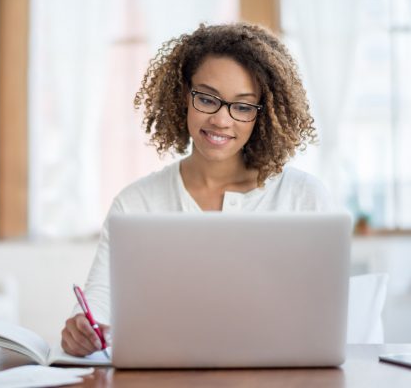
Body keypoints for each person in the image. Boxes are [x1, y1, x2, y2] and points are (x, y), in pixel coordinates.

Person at [61, 22, 332, 356]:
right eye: (207, 98)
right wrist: (82, 329)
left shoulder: (304, 197)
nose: (221, 120)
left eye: (243, 106)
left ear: (263, 115)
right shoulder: (137, 203)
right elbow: (99, 301)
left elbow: (324, 317)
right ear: (182, 97)